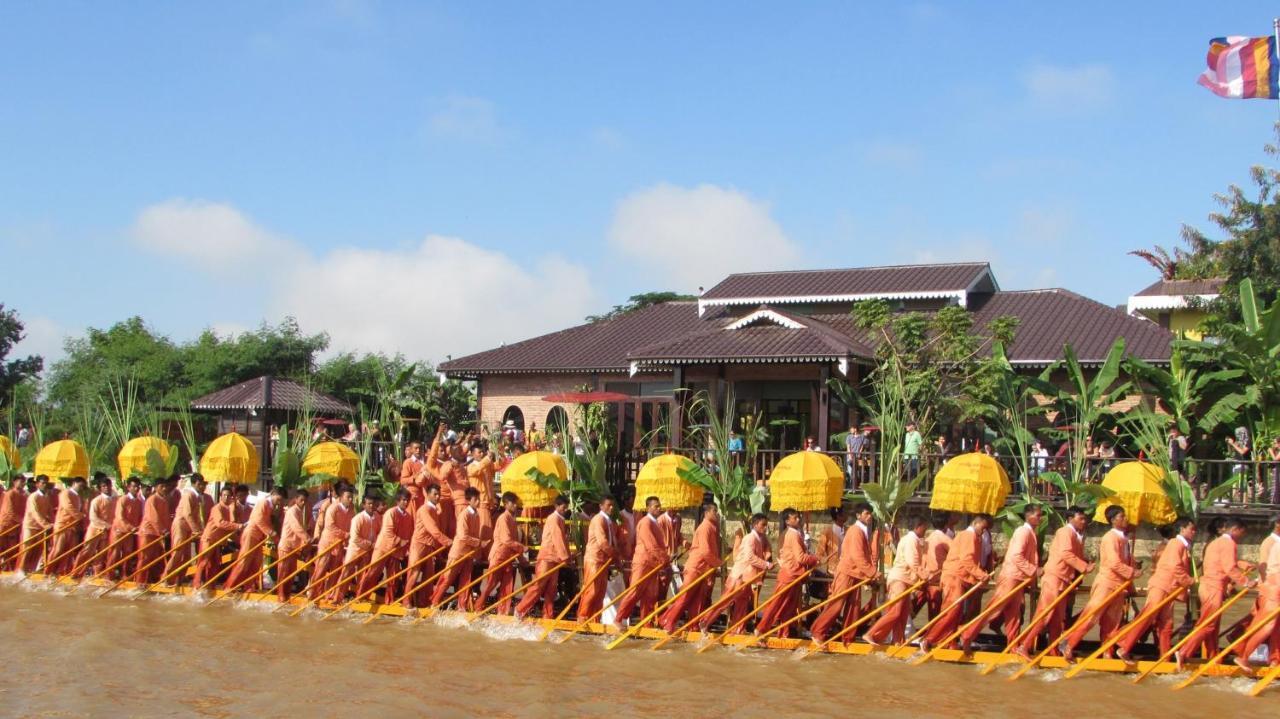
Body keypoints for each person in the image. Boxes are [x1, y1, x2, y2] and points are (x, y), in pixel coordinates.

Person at [1062, 506, 1142, 662]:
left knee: (1112, 623)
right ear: (1113, 520)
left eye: (1125, 516)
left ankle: (1107, 653)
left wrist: (1131, 582)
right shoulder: (1110, 538)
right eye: (1122, 516)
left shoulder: (1125, 540)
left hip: (1119, 586)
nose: (1125, 519)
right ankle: (1068, 645)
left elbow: (1127, 563)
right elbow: (1113, 563)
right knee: (1090, 618)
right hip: (1106, 583)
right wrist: (1132, 573)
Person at [1175, 517, 1256, 669]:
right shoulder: (1228, 543)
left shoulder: (1216, 542)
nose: (1241, 537)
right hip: (1213, 587)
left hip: (1208, 586)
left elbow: (1226, 562)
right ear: (1235, 530)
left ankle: (1214, 658)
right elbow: (1229, 568)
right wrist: (1246, 582)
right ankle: (1184, 652)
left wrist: (1243, 564)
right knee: (1208, 625)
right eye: (1241, 533)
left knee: (1213, 626)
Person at [961, 505, 1042, 652]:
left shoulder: (1030, 533)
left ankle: (1013, 645)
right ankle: (967, 634)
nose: (1040, 518)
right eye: (1038, 515)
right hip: (1011, 577)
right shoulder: (1023, 532)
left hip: (1019, 578)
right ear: (1028, 516)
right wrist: (1034, 570)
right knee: (994, 609)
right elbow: (1017, 556)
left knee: (1014, 614)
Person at [1016, 507, 1093, 659]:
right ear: (1070, 519)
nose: (1084, 522)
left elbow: (1074, 555)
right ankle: (1024, 645)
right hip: (1054, 577)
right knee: (1045, 614)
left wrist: (1084, 562)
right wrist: (1084, 566)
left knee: (1057, 619)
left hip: (1064, 579)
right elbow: (1066, 554)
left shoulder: (1077, 535)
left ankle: (1053, 649)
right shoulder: (1065, 532)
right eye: (1081, 518)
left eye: (1085, 519)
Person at [1116, 517, 1196, 661]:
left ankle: (1164, 657)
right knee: (1148, 616)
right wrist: (1189, 580)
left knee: (1167, 624)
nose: (1194, 532)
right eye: (1191, 529)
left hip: (1169, 588)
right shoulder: (1175, 543)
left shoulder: (1182, 546)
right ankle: (1124, 645)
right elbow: (1175, 567)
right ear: (1182, 529)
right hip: (1161, 585)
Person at [921, 514, 991, 652]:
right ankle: (929, 639)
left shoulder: (973, 537)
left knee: (957, 612)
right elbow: (967, 560)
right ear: (976, 523)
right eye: (983, 528)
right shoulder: (968, 535)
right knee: (952, 610)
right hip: (954, 577)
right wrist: (981, 575)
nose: (983, 532)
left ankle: (949, 641)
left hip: (961, 578)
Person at [810, 503, 877, 644]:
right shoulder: (855, 531)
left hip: (856, 573)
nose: (869, 516)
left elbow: (864, 556)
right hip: (845, 572)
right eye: (866, 514)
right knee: (836, 604)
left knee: (854, 606)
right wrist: (872, 572)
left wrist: (870, 573)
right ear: (858, 516)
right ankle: (818, 632)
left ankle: (848, 637)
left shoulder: (858, 530)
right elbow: (857, 556)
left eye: (870, 514)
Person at [755, 507, 819, 638]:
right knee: (776, 604)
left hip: (794, 573)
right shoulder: (793, 534)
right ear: (787, 521)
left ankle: (784, 633)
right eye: (795, 518)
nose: (798, 519)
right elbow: (800, 557)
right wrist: (815, 558)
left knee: (789, 607)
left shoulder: (787, 533)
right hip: (790, 574)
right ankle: (760, 629)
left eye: (798, 517)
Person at [865, 514, 928, 645]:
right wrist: (925, 575)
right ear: (918, 527)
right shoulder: (911, 540)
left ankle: (898, 641)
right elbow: (913, 562)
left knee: (903, 614)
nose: (925, 531)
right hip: (898, 579)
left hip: (906, 581)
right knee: (895, 611)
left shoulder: (910, 539)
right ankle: (872, 634)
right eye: (924, 528)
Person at [659, 501, 721, 632]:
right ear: (706, 513)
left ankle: (693, 625)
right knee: (685, 597)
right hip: (695, 567)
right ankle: (667, 620)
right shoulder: (705, 527)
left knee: (698, 599)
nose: (716, 514)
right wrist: (718, 564)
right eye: (714, 511)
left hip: (703, 569)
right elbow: (705, 551)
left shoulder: (713, 527)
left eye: (717, 511)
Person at [611, 496, 668, 629]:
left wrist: (663, 560)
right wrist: (664, 559)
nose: (659, 509)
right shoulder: (645, 523)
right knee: (635, 591)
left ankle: (646, 623)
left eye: (659, 506)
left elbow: (659, 546)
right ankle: (619, 619)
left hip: (653, 563)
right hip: (643, 562)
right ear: (648, 508)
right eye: (656, 506)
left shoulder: (656, 523)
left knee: (651, 594)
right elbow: (651, 545)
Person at [1235, 514, 1280, 669]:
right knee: (1266, 625)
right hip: (1273, 589)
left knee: (1273, 627)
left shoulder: (1276, 544)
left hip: (1273, 588)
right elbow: (1264, 568)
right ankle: (1244, 655)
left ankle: (1274, 659)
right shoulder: (1272, 543)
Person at [515, 495, 571, 619]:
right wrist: (566, 557)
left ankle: (548, 615)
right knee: (538, 586)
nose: (565, 510)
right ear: (556, 506)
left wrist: (567, 556)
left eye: (566, 507)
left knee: (552, 589)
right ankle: (519, 609)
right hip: (547, 558)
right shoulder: (554, 519)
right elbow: (558, 539)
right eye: (563, 507)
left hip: (555, 559)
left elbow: (564, 541)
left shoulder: (560, 519)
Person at [357, 489, 414, 604]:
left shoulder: (408, 517)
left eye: (407, 500)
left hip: (396, 551)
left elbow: (408, 534)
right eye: (403, 500)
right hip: (383, 548)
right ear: (397, 501)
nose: (405, 502)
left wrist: (406, 548)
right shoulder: (390, 513)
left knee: (393, 578)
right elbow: (388, 532)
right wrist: (399, 541)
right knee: (373, 573)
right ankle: (360, 597)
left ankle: (390, 601)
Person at [431, 487, 483, 608]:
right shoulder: (464, 514)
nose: (478, 502)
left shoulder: (477, 515)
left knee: (466, 580)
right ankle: (434, 602)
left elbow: (473, 535)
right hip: (458, 552)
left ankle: (462, 606)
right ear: (469, 500)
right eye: (476, 499)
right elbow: (462, 535)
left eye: (479, 499)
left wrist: (476, 547)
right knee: (447, 578)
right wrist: (478, 543)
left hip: (469, 553)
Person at [223, 487, 283, 591]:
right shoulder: (263, 502)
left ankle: (249, 586)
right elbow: (258, 519)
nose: (279, 502)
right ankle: (229, 586)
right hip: (251, 534)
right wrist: (270, 532)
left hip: (260, 537)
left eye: (281, 500)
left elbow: (270, 522)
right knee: (244, 561)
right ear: (272, 494)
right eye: (278, 499)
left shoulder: (272, 507)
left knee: (256, 562)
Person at [477, 492, 527, 614]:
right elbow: (507, 540)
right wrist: (521, 548)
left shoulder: (512, 519)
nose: (515, 505)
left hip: (508, 557)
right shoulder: (503, 518)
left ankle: (502, 611)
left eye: (516, 503)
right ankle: (478, 607)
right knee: (491, 583)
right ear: (505, 504)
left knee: (507, 585)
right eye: (513, 503)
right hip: (499, 555)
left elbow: (513, 541)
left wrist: (522, 560)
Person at [403, 483, 451, 608]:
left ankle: (424, 601)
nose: (437, 497)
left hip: (429, 546)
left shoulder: (434, 510)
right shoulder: (424, 509)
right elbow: (434, 530)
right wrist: (448, 542)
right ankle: (406, 601)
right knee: (414, 572)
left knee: (429, 574)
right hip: (419, 544)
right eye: (435, 494)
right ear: (428, 495)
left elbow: (434, 532)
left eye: (438, 494)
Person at [306, 486, 354, 600]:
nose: (350, 500)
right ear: (341, 497)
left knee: (335, 571)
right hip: (327, 543)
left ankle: (329, 595)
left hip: (339, 544)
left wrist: (347, 538)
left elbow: (351, 525)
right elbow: (330, 526)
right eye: (348, 497)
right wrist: (345, 534)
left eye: (352, 497)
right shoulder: (332, 508)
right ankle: (312, 594)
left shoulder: (351, 510)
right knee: (321, 569)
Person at [577, 496, 619, 620]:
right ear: (601, 506)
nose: (611, 508)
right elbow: (602, 542)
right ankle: (582, 617)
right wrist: (614, 555)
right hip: (594, 559)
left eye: (612, 505)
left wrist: (617, 559)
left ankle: (595, 619)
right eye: (608, 505)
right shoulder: (598, 519)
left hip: (604, 560)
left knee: (600, 593)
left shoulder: (609, 522)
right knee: (592, 590)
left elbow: (613, 542)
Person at [193, 486, 242, 589]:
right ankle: (197, 585)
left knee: (215, 563)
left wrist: (240, 542)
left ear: (231, 498)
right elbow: (220, 523)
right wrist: (237, 526)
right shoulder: (217, 508)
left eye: (228, 496)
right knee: (204, 561)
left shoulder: (229, 509)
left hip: (218, 541)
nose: (226, 497)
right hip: (209, 538)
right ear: (220, 496)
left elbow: (230, 530)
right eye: (224, 495)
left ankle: (210, 585)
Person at [162, 475, 208, 584]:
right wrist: (197, 530)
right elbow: (188, 514)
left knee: (187, 556)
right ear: (194, 484)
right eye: (200, 484)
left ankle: (179, 579)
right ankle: (165, 578)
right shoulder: (188, 494)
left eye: (204, 485)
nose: (203, 487)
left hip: (188, 527)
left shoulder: (197, 496)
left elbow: (197, 516)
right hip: (180, 525)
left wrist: (200, 529)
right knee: (177, 552)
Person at [426, 423, 467, 537]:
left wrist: (464, 440)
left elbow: (456, 451)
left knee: (453, 528)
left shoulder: (449, 462)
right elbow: (434, 453)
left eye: (444, 450)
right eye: (441, 451)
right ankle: (439, 553)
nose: (443, 453)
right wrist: (439, 433)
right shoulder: (432, 464)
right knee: (440, 527)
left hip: (451, 500)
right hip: (440, 500)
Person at [71, 475, 115, 577]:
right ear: (100, 488)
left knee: (102, 553)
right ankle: (76, 572)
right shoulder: (96, 500)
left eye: (108, 485)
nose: (106, 487)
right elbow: (93, 517)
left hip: (107, 532)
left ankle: (97, 574)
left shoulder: (115, 500)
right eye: (104, 486)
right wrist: (106, 525)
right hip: (95, 530)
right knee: (87, 551)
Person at [47, 476, 87, 575]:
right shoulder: (65, 493)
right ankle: (48, 570)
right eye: (80, 485)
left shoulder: (78, 496)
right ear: (74, 483)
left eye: (83, 486)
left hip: (73, 527)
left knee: (69, 551)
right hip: (63, 525)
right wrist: (81, 516)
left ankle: (61, 571)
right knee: (58, 550)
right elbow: (69, 507)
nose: (81, 488)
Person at [275, 489, 310, 601]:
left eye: (305, 501)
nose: (303, 503)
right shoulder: (292, 511)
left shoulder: (300, 512)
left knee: (290, 573)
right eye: (301, 500)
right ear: (296, 500)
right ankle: (280, 596)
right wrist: (307, 538)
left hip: (294, 547)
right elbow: (297, 528)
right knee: (283, 573)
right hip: (286, 546)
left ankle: (287, 595)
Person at [921, 513, 956, 619]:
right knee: (937, 611)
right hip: (938, 578)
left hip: (927, 576)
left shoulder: (928, 538)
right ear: (946, 524)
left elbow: (924, 557)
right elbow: (956, 554)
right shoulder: (945, 539)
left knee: (932, 610)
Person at [18, 475, 53, 573]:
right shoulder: (33, 497)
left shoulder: (46, 497)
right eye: (42, 483)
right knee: (27, 549)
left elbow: (50, 512)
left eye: (46, 483)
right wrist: (46, 525)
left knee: (38, 550)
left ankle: (31, 570)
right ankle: (21, 571)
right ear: (37, 484)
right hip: (30, 526)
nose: (45, 485)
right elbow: (35, 512)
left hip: (40, 527)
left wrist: (53, 523)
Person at [0, 476, 29, 567]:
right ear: (14, 482)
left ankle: (9, 569)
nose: (23, 484)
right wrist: (23, 521)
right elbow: (9, 512)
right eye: (21, 481)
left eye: (24, 482)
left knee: (13, 550)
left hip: (17, 527)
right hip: (5, 525)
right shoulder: (9, 494)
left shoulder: (25, 495)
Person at [400, 442, 428, 513]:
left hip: (425, 495)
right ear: (411, 450)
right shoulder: (408, 462)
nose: (418, 450)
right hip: (414, 495)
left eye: (420, 448)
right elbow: (403, 480)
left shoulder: (426, 460)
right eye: (416, 448)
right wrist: (414, 477)